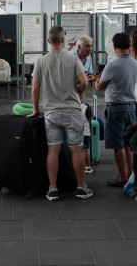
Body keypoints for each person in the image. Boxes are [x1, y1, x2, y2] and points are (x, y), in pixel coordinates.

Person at [30, 26, 93, 202]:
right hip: (72, 110)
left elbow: (35, 88)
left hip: (51, 113)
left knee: (53, 150)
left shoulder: (41, 61)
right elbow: (84, 82)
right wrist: (79, 93)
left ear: (49, 41)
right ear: (64, 40)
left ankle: (53, 189)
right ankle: (81, 188)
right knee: (76, 150)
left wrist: (36, 109)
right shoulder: (73, 60)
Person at [95, 32, 137, 187]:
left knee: (118, 144)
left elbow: (100, 87)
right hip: (131, 107)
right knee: (128, 143)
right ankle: (130, 173)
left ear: (114, 47)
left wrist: (97, 80)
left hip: (116, 108)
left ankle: (122, 177)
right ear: (129, 45)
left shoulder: (112, 66)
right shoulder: (135, 63)